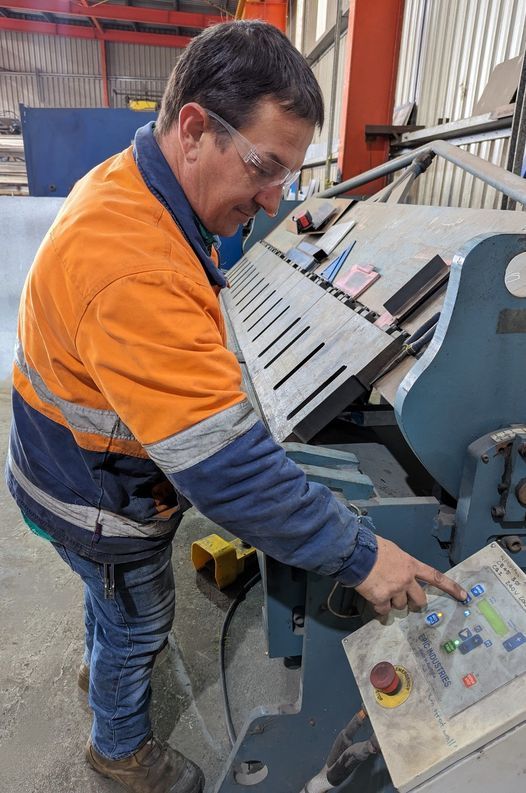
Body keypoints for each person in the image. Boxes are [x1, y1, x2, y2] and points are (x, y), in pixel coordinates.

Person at [6, 20, 466, 793]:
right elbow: (229, 474)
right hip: (94, 497)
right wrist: (363, 554)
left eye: (287, 175)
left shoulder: (133, 189)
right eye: (264, 167)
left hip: (63, 467)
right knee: (138, 619)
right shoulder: (135, 264)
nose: (272, 199)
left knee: (109, 600)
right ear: (194, 129)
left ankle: (103, 665)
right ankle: (119, 745)